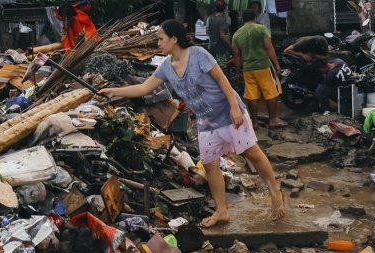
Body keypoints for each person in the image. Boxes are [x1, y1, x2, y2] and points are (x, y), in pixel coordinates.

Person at [101, 20, 285, 228]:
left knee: (251, 152)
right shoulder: (166, 66)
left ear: (174, 39)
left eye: (161, 38)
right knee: (209, 163)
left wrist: (234, 107)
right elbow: (144, 88)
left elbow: (222, 79)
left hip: (227, 112)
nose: (158, 43)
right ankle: (222, 211)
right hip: (206, 121)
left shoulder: (198, 54)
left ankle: (274, 191)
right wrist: (114, 91)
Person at [232, 9, 287, 128]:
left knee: (252, 95)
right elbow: (269, 48)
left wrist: (237, 72)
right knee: (271, 92)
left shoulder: (236, 34)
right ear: (255, 18)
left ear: (243, 20)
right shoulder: (261, 29)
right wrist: (277, 65)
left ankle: (255, 122)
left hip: (248, 68)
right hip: (263, 66)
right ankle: (272, 120)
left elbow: (237, 56)